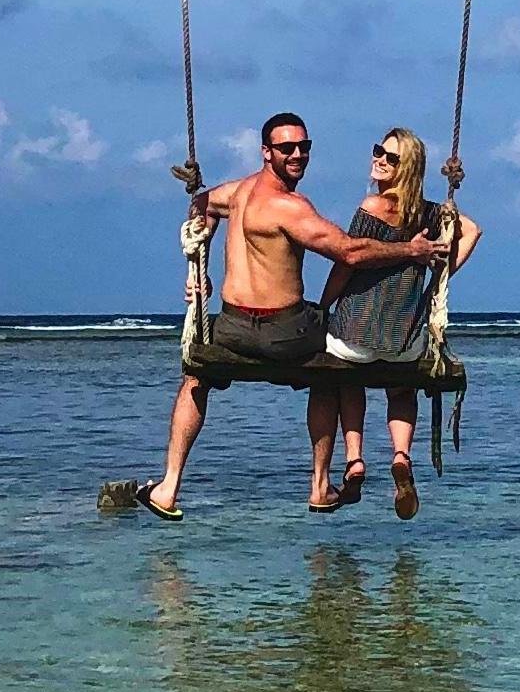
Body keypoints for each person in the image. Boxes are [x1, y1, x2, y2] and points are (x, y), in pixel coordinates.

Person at [113, 112, 373, 520]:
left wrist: (199, 271)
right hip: (284, 333)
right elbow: (350, 252)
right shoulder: (290, 207)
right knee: (334, 362)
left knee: (196, 376)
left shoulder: (238, 193)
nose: (297, 154)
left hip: (231, 326)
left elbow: (201, 202)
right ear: (266, 152)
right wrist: (413, 252)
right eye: (286, 148)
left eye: (304, 147)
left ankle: (167, 488)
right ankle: (321, 485)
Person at [311, 129, 479, 518]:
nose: (380, 160)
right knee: (401, 389)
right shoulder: (429, 212)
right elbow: (473, 230)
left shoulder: (372, 206)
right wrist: (442, 276)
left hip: (355, 334)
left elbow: (347, 262)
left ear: (408, 169)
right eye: (378, 151)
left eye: (391, 157)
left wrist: (323, 305)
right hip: (403, 339)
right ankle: (401, 455)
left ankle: (354, 460)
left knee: (346, 379)